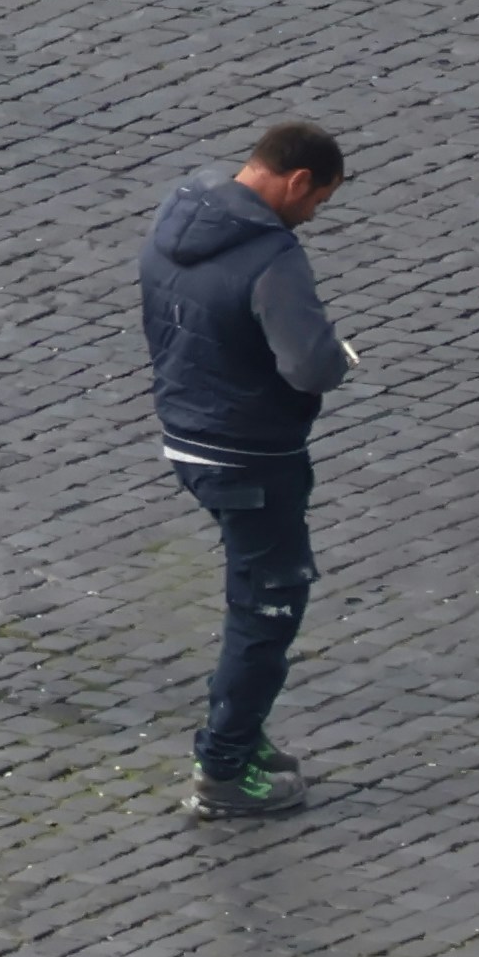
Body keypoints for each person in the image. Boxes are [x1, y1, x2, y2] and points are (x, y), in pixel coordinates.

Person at [144, 116, 356, 818]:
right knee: (267, 605)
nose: (312, 216)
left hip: (189, 433)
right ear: (297, 181)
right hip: (252, 453)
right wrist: (337, 355)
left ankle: (243, 735)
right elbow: (310, 365)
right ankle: (225, 767)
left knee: (253, 589)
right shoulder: (272, 258)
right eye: (316, 201)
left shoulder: (181, 209)